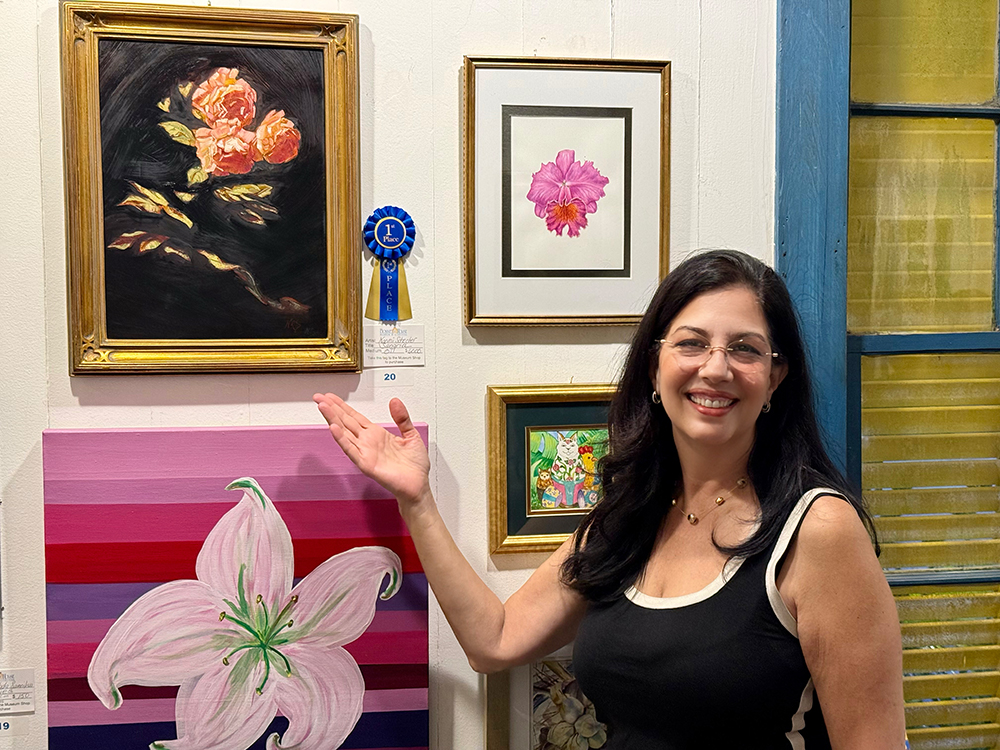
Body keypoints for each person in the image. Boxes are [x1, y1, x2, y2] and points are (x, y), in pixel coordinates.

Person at [314, 249, 906, 748]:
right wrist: (417, 500)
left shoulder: (819, 530)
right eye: (692, 343)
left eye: (746, 350)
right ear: (655, 365)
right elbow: (494, 642)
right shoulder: (629, 517)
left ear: (775, 378)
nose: (716, 368)